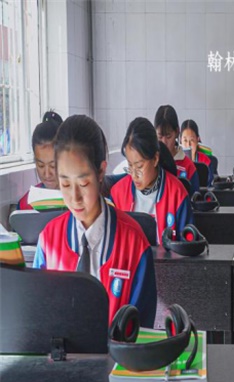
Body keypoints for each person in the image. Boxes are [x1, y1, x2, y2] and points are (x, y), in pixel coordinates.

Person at [33, 115, 157, 327]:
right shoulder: (48, 241)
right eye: (65, 184)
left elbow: (142, 331)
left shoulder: (134, 244)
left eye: (83, 184)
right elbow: (37, 316)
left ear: (100, 171)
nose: (74, 198)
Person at [111, 117, 193, 242]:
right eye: (130, 165)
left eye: (139, 166)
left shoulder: (177, 194)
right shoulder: (117, 194)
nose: (134, 175)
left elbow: (188, 245)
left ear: (155, 159)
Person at [18, 111, 63, 210]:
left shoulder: (79, 200)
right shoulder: (27, 204)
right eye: (41, 165)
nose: (47, 174)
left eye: (53, 166)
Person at [154, 105, 200, 194]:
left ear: (177, 132)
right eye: (160, 137)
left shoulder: (188, 167)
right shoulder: (151, 164)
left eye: (168, 136)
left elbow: (195, 198)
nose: (164, 142)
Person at [180, 119, 214, 186]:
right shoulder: (176, 161)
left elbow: (210, 186)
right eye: (185, 140)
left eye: (192, 140)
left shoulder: (205, 161)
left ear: (197, 139)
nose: (188, 144)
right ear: (180, 140)